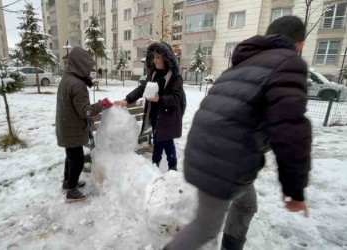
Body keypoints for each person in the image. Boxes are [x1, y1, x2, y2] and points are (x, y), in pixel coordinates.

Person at [165, 16, 311, 250]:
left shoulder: (244, 64)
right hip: (225, 161)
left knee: (245, 205)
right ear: (299, 43)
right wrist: (294, 189)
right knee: (205, 227)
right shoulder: (288, 62)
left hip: (212, 151)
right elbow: (290, 130)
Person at [114, 42, 185, 171]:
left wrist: (160, 99)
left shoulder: (175, 77)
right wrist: (127, 100)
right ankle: (154, 165)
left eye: (158, 57)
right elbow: (142, 89)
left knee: (168, 144)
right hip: (155, 117)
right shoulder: (153, 74)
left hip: (168, 118)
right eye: (153, 57)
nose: (155, 60)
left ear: (166, 58)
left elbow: (177, 98)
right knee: (158, 141)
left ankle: (172, 168)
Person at [56, 47, 112, 202]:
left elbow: (72, 107)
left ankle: (68, 183)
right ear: (80, 65)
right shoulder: (78, 85)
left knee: (70, 156)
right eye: (88, 67)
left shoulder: (67, 79)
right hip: (72, 129)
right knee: (78, 159)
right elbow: (85, 111)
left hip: (66, 126)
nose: (89, 70)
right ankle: (72, 191)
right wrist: (101, 104)